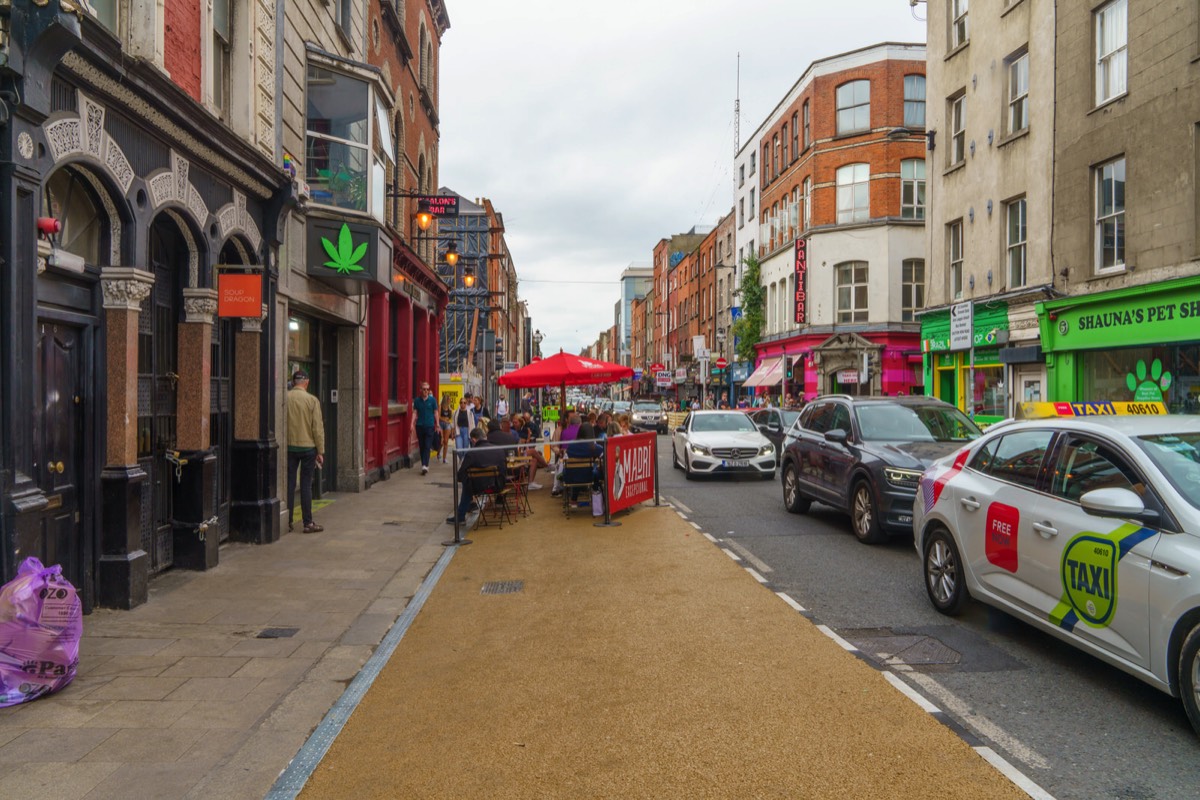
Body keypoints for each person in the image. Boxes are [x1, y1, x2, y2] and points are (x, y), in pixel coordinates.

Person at [286, 370, 325, 534]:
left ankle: (286, 521)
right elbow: (317, 428)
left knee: (288, 484)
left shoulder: (285, 398)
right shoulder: (312, 400)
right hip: (308, 448)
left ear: (294, 382)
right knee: (306, 485)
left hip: (289, 447)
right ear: (306, 382)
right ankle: (308, 523)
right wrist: (320, 450)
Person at [445, 427, 507, 525]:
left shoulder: (472, 453)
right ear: (485, 437)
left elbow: (460, 474)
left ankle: (461, 515)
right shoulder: (498, 450)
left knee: (467, 482)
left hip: (479, 488)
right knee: (469, 481)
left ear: (473, 440)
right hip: (498, 486)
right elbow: (504, 469)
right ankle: (468, 507)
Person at [411, 380, 439, 475]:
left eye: (427, 389)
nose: (425, 391)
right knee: (422, 446)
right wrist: (412, 424)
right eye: (424, 389)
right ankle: (424, 464)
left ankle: (425, 465)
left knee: (427, 446)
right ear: (420, 390)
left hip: (430, 426)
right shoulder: (417, 401)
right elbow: (415, 412)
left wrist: (437, 424)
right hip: (420, 426)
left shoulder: (432, 400)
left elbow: (435, 412)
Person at [438, 395, 455, 464]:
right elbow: (438, 417)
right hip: (441, 424)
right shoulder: (440, 406)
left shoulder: (449, 408)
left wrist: (450, 412)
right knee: (441, 441)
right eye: (449, 399)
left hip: (447, 425)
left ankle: (444, 458)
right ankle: (438, 452)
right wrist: (444, 419)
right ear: (446, 400)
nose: (450, 401)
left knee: (446, 441)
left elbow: (450, 418)